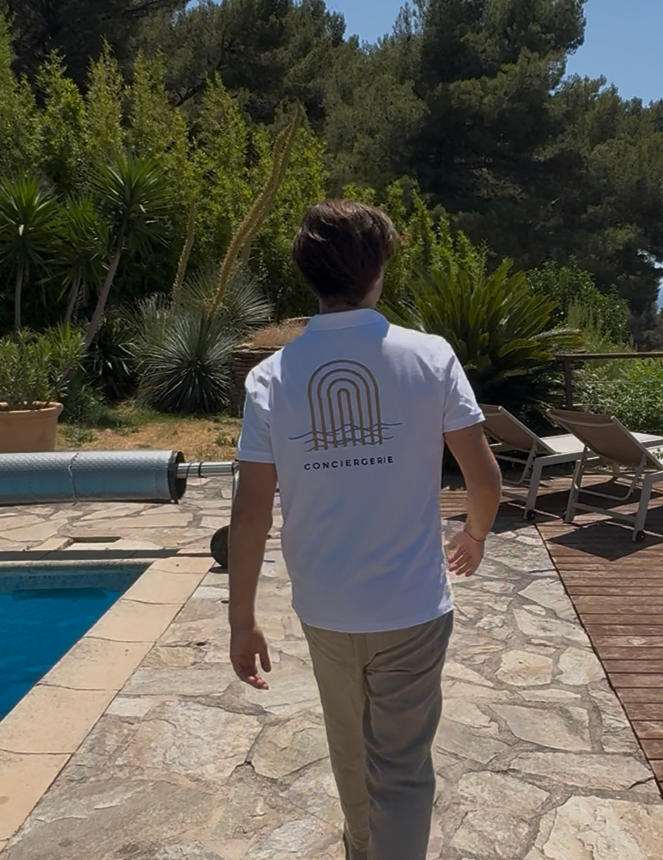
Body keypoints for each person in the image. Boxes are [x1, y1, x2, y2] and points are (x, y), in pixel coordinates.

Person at [227, 199, 502, 860]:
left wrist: (242, 619)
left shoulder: (270, 378)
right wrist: (475, 533)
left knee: (349, 750)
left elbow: (250, 511)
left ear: (311, 276)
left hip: (325, 606)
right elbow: (485, 478)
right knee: (401, 769)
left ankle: (360, 848)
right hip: (411, 606)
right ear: (377, 271)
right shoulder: (429, 357)